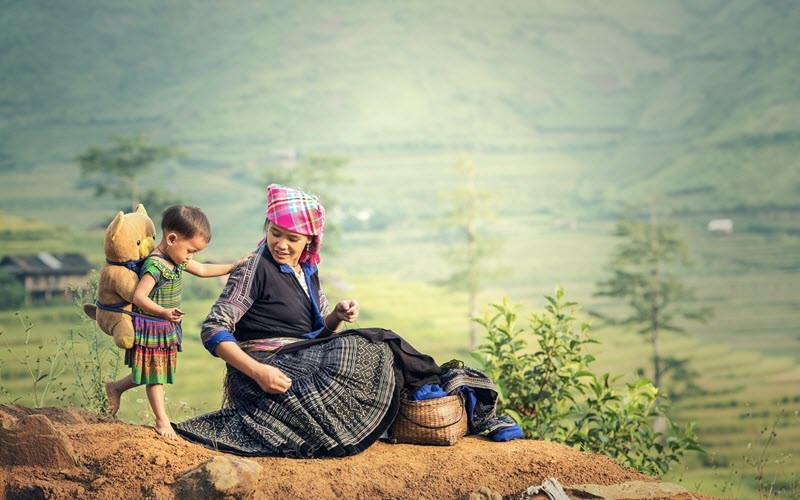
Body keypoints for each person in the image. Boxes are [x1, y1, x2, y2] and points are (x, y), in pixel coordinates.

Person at [174, 185, 517, 456]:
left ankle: (459, 402)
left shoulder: (308, 271)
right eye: (275, 233)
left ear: (309, 240)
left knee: (375, 350)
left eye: (291, 238)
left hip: (301, 358)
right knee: (374, 344)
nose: (280, 244)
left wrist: (335, 317)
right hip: (264, 370)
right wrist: (258, 372)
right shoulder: (253, 267)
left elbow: (312, 334)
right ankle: (454, 398)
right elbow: (214, 328)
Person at [105, 204, 247, 438]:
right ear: (172, 239)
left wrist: (232, 267)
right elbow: (140, 296)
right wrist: (163, 312)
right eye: (190, 250)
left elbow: (201, 269)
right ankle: (162, 422)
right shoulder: (155, 265)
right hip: (152, 326)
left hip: (165, 326)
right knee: (155, 376)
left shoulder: (177, 259)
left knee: (154, 370)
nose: (191, 257)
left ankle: (117, 386)